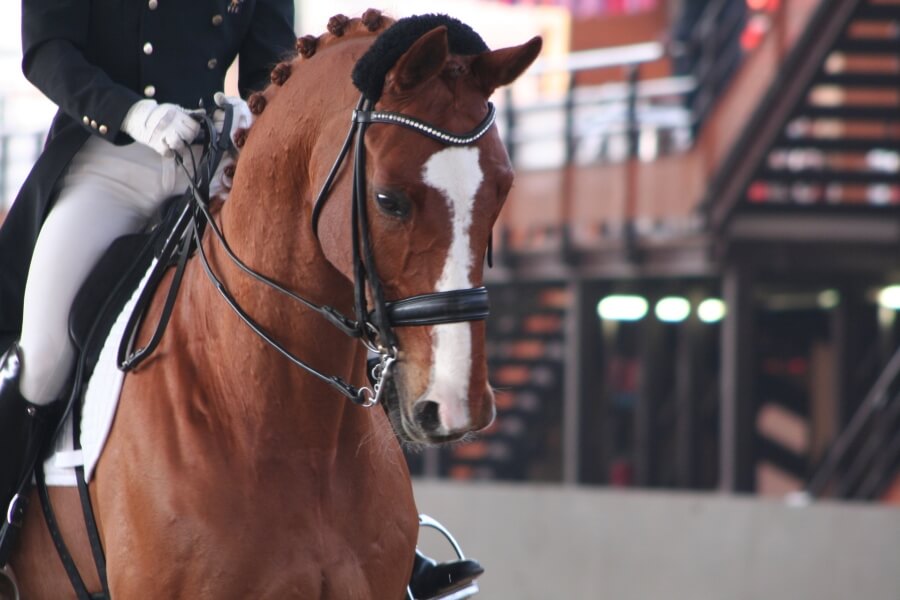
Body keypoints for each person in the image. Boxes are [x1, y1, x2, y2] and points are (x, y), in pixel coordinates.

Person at [0, 2, 481, 598]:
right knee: (43, 359)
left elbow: (269, 70)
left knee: (327, 321)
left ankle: (392, 549)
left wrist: (248, 123)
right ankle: (6, 526)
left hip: (213, 160)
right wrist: (134, 113)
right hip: (110, 162)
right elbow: (47, 51)